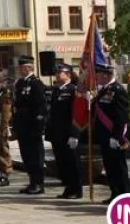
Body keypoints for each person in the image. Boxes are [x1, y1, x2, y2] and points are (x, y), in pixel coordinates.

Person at [94, 63, 129, 202]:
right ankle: (115, 193)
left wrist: (116, 136)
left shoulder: (118, 90)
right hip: (104, 135)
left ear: (107, 75)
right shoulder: (104, 90)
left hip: (113, 135)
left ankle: (124, 194)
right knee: (109, 166)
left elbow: (121, 116)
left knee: (119, 167)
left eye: (99, 74)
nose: (96, 77)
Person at [12, 55, 47, 195]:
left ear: (30, 67)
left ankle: (39, 183)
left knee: (35, 156)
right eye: (20, 67)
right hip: (22, 125)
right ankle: (32, 181)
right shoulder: (20, 83)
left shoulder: (36, 83)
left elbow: (41, 107)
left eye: (23, 67)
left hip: (32, 126)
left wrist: (38, 126)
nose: (21, 70)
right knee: (26, 156)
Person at [46, 64, 81, 199]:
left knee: (72, 162)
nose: (58, 74)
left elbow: (76, 114)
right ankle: (68, 187)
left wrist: (75, 134)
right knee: (62, 162)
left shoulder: (73, 90)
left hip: (68, 132)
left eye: (61, 72)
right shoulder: (56, 90)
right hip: (57, 133)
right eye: (57, 72)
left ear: (69, 75)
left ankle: (76, 189)